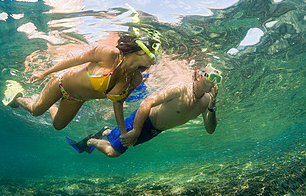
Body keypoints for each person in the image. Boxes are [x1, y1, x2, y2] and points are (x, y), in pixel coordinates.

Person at [3, 32, 162, 132]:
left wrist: (123, 132)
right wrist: (44, 73)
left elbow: (118, 103)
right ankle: (17, 97)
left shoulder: (135, 78)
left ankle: (50, 104)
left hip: (77, 99)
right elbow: (77, 59)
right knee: (35, 110)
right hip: (61, 84)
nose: (156, 61)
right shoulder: (110, 54)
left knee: (58, 126)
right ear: (142, 51)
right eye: (155, 55)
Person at [67, 64, 221, 157]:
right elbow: (147, 103)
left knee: (123, 142)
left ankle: (106, 131)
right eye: (210, 76)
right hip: (143, 121)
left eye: (217, 79)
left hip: (154, 130)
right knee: (113, 153)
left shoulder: (207, 101)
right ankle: (90, 141)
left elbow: (210, 130)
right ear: (198, 76)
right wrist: (136, 130)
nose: (213, 81)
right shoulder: (180, 89)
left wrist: (212, 107)